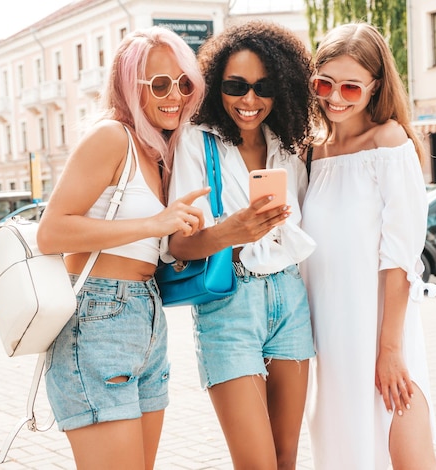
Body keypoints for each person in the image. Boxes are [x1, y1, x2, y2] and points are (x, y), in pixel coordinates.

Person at [36, 27, 209, 470]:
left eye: (184, 82)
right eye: (160, 84)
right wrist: (154, 223)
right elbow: (51, 232)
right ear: (130, 86)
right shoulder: (111, 136)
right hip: (99, 316)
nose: (176, 95)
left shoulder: (157, 152)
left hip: (144, 318)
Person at [166, 20, 316, 469]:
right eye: (235, 86)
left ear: (282, 88)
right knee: (256, 462)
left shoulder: (288, 147)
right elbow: (178, 247)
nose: (249, 100)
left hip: (290, 298)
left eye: (263, 87)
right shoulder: (196, 141)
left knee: (286, 456)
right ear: (216, 87)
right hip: (230, 305)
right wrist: (238, 230)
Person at [300, 23, 436, 470]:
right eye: (325, 83)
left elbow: (401, 257)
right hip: (327, 330)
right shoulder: (312, 153)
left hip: (379, 327)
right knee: (345, 449)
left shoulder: (389, 142)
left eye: (351, 87)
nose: (335, 97)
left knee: (405, 448)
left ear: (375, 86)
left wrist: (390, 350)